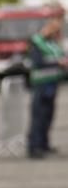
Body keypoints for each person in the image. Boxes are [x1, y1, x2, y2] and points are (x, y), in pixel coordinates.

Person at [26, 9, 65, 159]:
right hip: (41, 84)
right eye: (57, 32)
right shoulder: (37, 42)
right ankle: (34, 147)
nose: (58, 36)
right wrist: (58, 62)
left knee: (48, 116)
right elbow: (38, 62)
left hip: (51, 84)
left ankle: (44, 143)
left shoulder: (51, 44)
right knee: (38, 116)